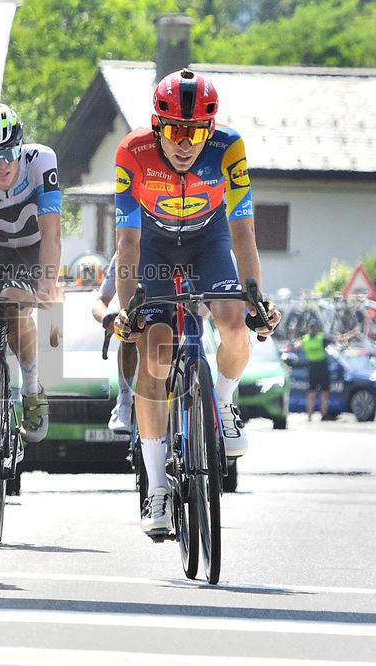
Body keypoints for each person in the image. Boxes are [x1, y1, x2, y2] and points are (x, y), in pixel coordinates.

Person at [113, 69, 280, 537]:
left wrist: (256, 297)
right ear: (156, 125)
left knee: (232, 323)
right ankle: (158, 486)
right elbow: (126, 240)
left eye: (195, 133)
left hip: (209, 239)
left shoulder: (229, 147)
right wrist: (130, 311)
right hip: (153, 244)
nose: (185, 143)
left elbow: (244, 228)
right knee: (156, 348)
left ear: (210, 130)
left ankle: (223, 405)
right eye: (174, 130)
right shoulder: (133, 150)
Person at [0, 104, 61, 443]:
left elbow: (52, 230)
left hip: (32, 253)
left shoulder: (40, 160)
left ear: (19, 148)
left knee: (17, 307)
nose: (2, 164)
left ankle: (32, 389)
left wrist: (48, 283)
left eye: (8, 153)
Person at [90, 254, 136, 433]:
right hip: (138, 314)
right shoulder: (123, 255)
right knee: (128, 330)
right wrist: (107, 319)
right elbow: (100, 301)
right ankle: (124, 400)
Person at [300, 322, 331, 420]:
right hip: (321, 367)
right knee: (323, 393)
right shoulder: (320, 338)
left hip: (312, 367)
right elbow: (336, 340)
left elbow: (300, 347)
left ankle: (310, 415)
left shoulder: (305, 340)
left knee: (312, 393)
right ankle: (323, 414)